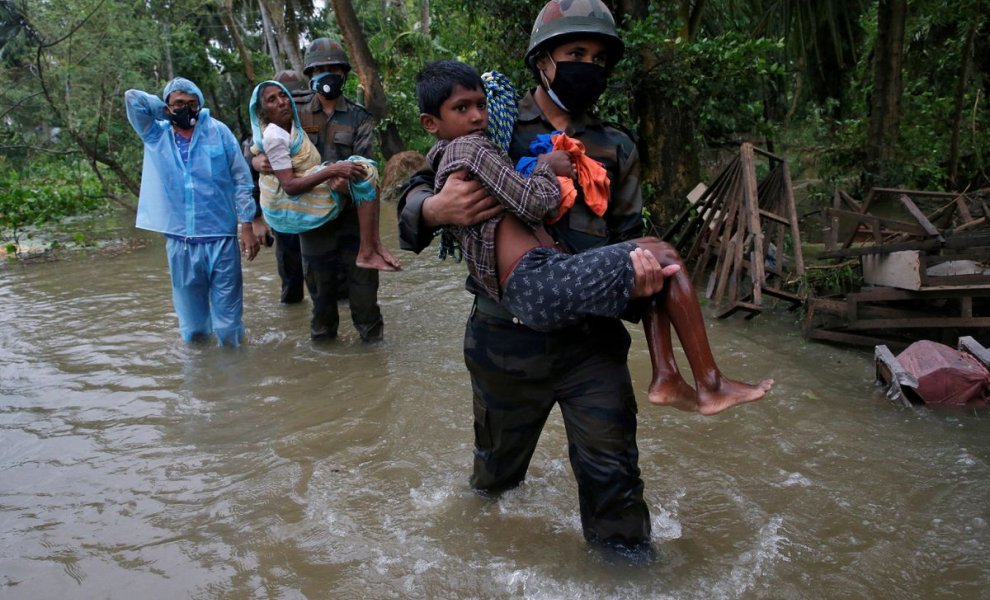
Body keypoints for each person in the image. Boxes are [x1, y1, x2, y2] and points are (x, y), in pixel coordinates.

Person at [399, 0, 749, 551]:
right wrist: (434, 210)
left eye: (598, 57)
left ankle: (630, 580)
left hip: (591, 343)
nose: (589, 65)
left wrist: (639, 283)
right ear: (542, 60)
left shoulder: (616, 144)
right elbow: (419, 188)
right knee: (495, 479)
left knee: (615, 485)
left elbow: (627, 233)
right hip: (504, 341)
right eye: (574, 53)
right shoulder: (491, 121)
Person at [416, 59, 773, 414]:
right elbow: (531, 203)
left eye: (480, 105)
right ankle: (709, 383)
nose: (478, 116)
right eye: (462, 108)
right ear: (431, 122)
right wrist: (545, 168)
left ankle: (668, 376)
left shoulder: (448, 154)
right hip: (534, 284)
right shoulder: (475, 147)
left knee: (648, 256)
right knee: (665, 258)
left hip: (535, 289)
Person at [252, 38, 388, 342]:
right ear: (310, 73)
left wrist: (347, 182)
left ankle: (373, 365)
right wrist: (258, 158)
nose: (327, 75)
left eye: (334, 69)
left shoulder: (359, 117)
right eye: (320, 69)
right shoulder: (292, 109)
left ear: (344, 73)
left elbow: (368, 165)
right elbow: (259, 139)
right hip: (311, 222)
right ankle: (324, 368)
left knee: (365, 300)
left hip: (352, 218)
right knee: (322, 305)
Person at [125, 76, 261, 347]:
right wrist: (166, 113)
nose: (185, 108)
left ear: (200, 105)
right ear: (167, 106)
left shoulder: (218, 132)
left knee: (228, 326)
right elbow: (132, 98)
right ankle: (202, 381)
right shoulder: (157, 134)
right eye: (178, 103)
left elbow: (241, 180)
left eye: (191, 103)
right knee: (194, 330)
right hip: (180, 242)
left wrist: (247, 225)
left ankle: (236, 380)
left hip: (221, 240)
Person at [248, 79, 399, 270]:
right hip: (292, 200)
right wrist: (333, 170)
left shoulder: (296, 122)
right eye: (272, 99)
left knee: (366, 174)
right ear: (263, 112)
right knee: (365, 175)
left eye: (283, 95)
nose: (281, 102)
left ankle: (373, 246)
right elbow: (289, 186)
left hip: (320, 194)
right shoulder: (275, 135)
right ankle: (368, 251)